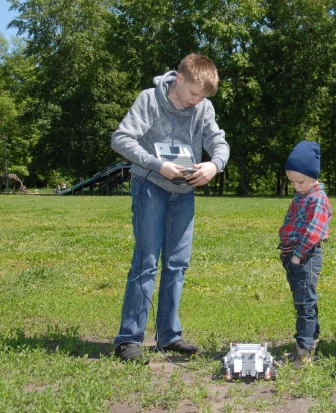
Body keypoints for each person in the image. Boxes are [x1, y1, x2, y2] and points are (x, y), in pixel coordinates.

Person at [111, 53, 230, 362]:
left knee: (177, 264)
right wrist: (157, 165)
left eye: (202, 97)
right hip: (150, 186)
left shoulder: (203, 107)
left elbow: (219, 143)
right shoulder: (149, 100)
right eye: (193, 93)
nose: (197, 101)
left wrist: (213, 166)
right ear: (179, 79)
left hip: (184, 193)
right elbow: (121, 139)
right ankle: (128, 339)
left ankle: (169, 336)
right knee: (146, 261)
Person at [278, 141, 332, 366]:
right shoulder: (303, 195)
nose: (296, 186)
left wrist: (297, 256)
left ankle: (303, 350)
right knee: (305, 300)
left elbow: (314, 231)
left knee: (304, 304)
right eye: (292, 182)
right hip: (294, 256)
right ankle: (312, 338)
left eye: (300, 181)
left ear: (313, 176)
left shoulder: (316, 199)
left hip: (304, 257)